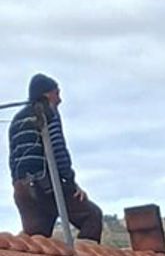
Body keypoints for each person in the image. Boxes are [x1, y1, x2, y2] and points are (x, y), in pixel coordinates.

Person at [8, 73, 103, 242]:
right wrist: (71, 183)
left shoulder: (16, 121)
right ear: (46, 94)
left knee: (37, 241)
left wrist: (19, 185)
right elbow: (58, 151)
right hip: (44, 186)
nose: (60, 99)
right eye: (57, 93)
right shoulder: (47, 112)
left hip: (22, 190)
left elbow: (12, 160)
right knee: (92, 216)